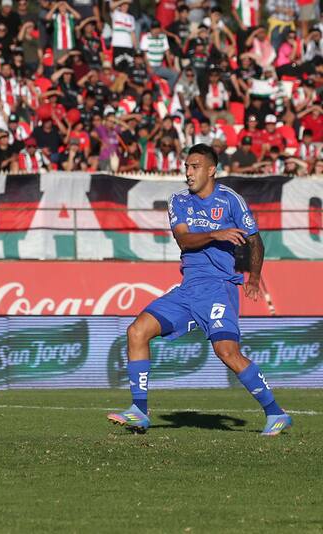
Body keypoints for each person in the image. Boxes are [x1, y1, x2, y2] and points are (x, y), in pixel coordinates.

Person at [107, 144, 292, 437]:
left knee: (227, 352)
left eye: (194, 167)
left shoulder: (231, 200)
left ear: (211, 170)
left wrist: (254, 278)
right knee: (136, 331)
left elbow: (255, 240)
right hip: (187, 290)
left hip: (219, 288)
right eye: (186, 167)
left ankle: (276, 413)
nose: (188, 173)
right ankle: (139, 412)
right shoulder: (179, 200)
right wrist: (215, 233)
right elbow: (184, 240)